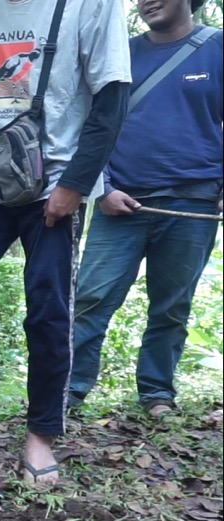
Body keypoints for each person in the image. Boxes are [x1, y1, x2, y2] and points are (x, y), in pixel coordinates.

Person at [0, 0, 132, 485]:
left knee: (48, 303)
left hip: (57, 180)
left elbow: (112, 101)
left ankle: (41, 433)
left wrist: (76, 185)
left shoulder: (93, 6)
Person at [70, 0, 222, 417]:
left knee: (172, 304)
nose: (147, 2)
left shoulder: (217, 48)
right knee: (90, 298)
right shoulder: (120, 53)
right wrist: (102, 189)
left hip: (193, 201)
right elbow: (89, 125)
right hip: (120, 203)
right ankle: (69, 391)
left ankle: (157, 393)